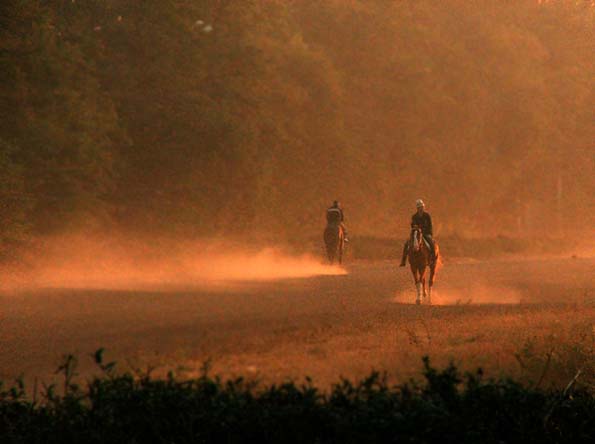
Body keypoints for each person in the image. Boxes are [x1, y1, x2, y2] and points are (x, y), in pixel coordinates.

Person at [399, 199, 435, 266]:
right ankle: (403, 261)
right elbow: (412, 225)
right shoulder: (414, 216)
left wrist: (429, 233)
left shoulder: (427, 216)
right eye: (420, 207)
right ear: (417, 208)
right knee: (407, 244)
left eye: (422, 207)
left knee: (431, 244)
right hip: (416, 234)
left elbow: (430, 225)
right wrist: (414, 227)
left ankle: (432, 260)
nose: (421, 208)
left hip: (426, 233)